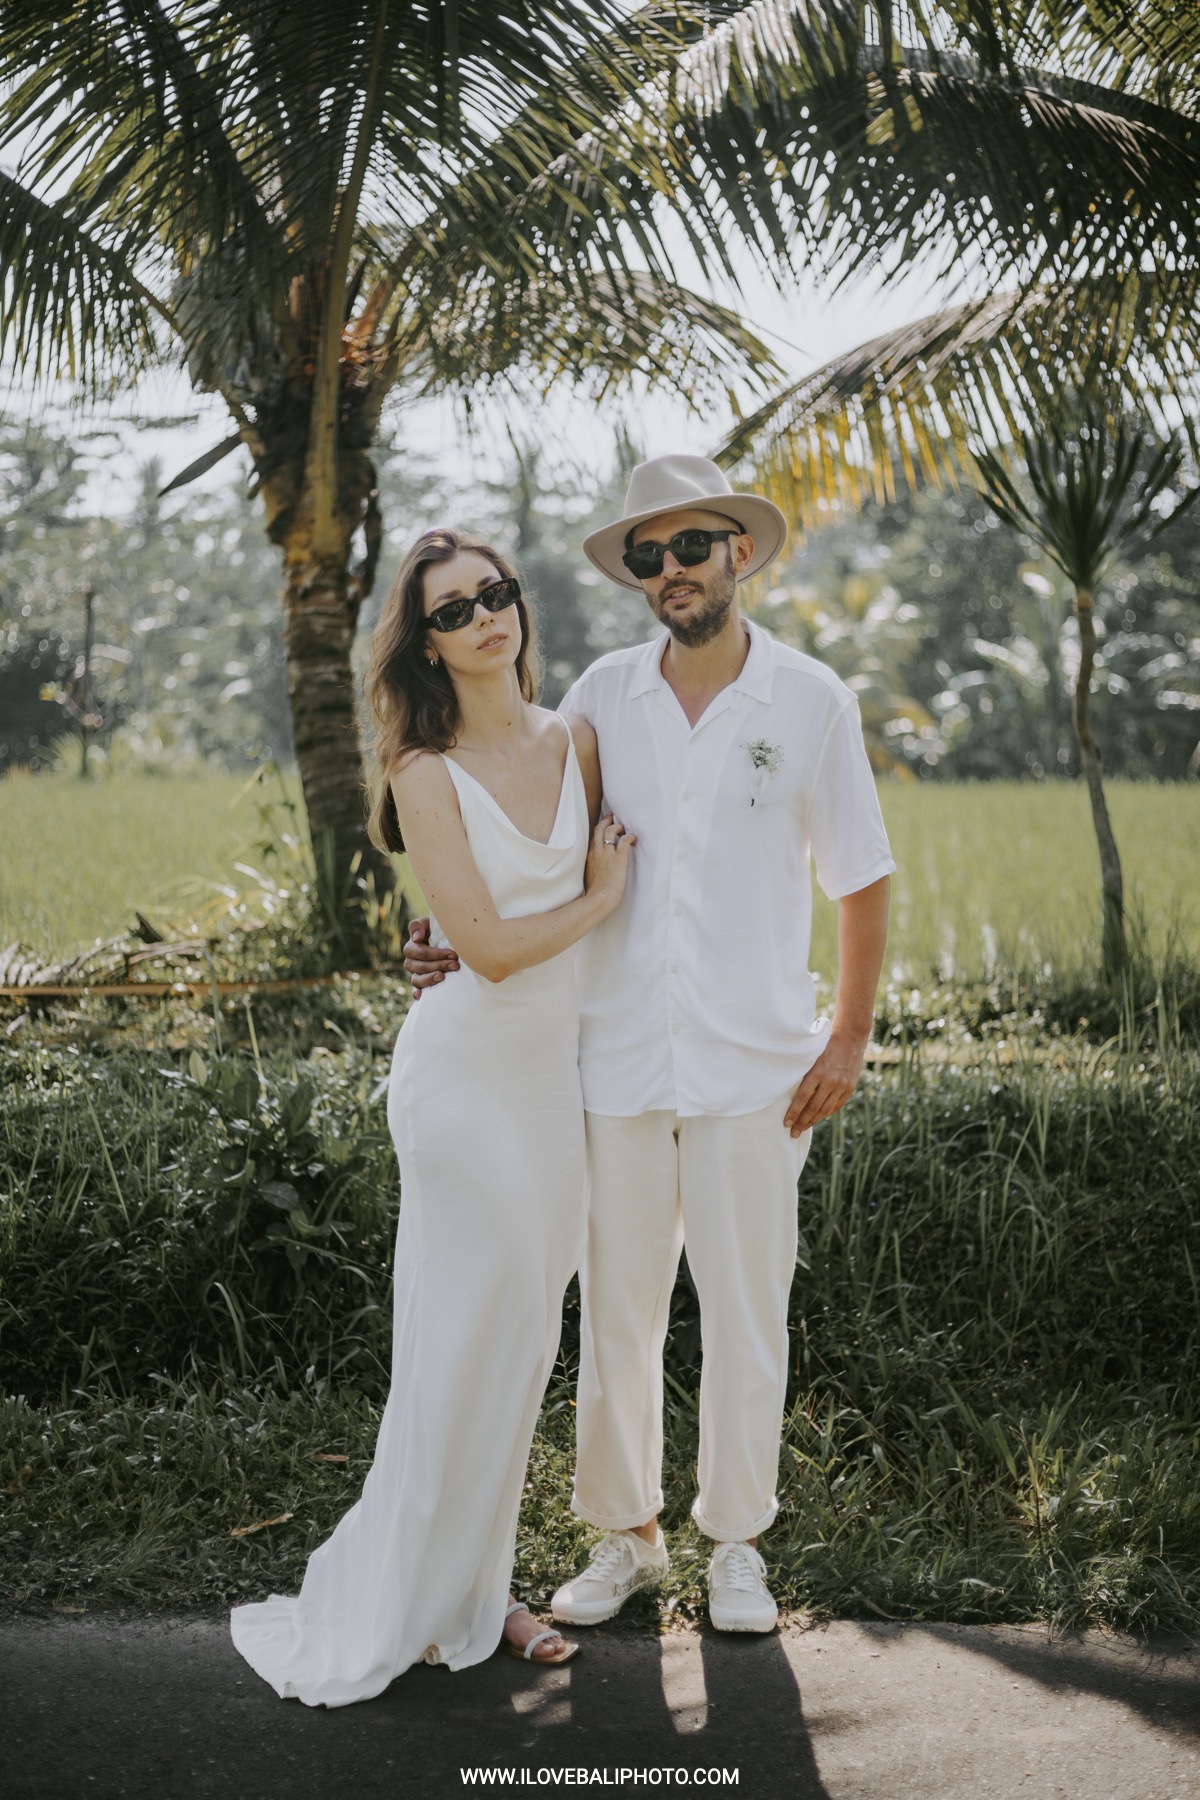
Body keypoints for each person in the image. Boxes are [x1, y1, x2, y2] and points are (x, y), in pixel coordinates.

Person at [405, 455, 894, 1635]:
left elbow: (863, 879)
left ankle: (737, 1546)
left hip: (757, 1068)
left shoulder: (812, 700)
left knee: (746, 1316)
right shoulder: (600, 700)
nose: (671, 569)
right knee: (618, 1316)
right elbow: (525, 836)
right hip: (612, 1059)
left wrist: (847, 1037)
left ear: (740, 552)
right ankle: (626, 1537)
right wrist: (438, 934)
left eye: (691, 547)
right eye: (648, 555)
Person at [231, 528, 634, 1705]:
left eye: (494, 594)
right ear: (426, 644)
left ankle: (481, 1590)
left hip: (550, 1087)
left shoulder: (577, 740)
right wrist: (601, 895)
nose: (483, 619)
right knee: (458, 1343)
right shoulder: (421, 767)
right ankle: (419, 1593)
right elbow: (493, 951)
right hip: (463, 1083)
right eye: (452, 611)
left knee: (521, 1340)